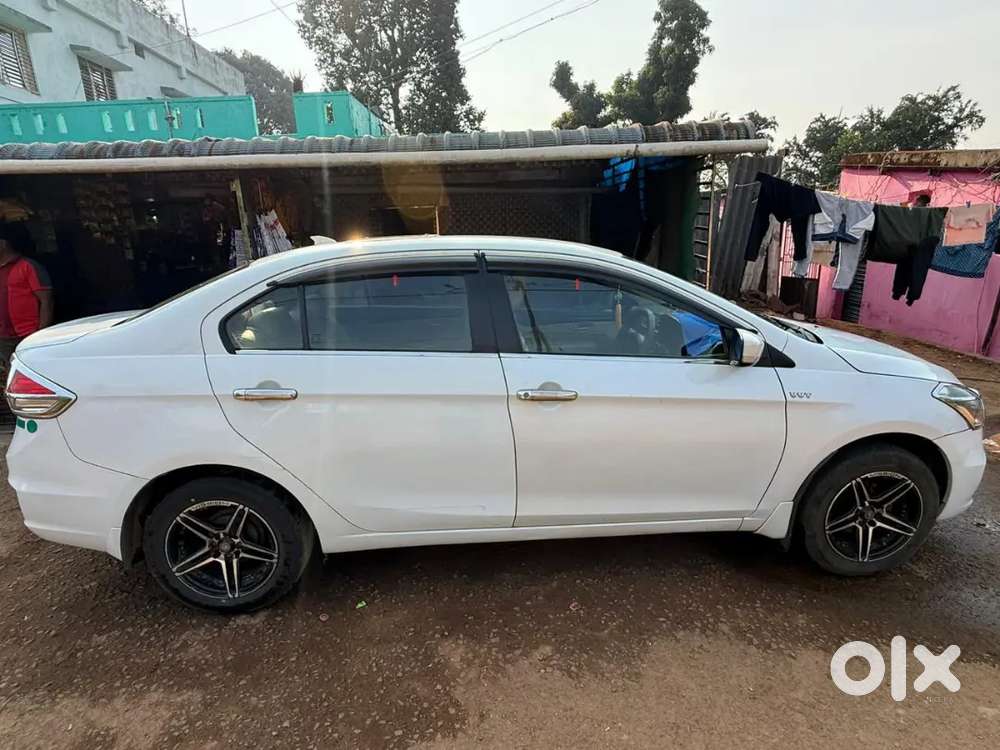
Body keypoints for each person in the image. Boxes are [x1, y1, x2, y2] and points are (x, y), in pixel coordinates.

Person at [0, 227, 53, 376]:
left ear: (3, 244)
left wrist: (41, 334)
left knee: (36, 374)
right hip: (4, 338)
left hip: (29, 335)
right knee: (14, 376)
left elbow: (46, 301)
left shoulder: (28, 266)